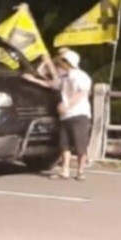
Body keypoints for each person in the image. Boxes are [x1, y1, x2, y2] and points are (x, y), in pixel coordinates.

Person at [23, 49, 92, 180]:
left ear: (68, 62)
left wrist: (67, 105)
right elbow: (51, 85)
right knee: (64, 144)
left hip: (79, 114)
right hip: (66, 115)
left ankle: (80, 171)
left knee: (80, 144)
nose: (60, 63)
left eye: (62, 61)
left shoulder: (80, 76)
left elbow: (82, 92)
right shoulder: (64, 77)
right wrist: (33, 80)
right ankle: (65, 170)